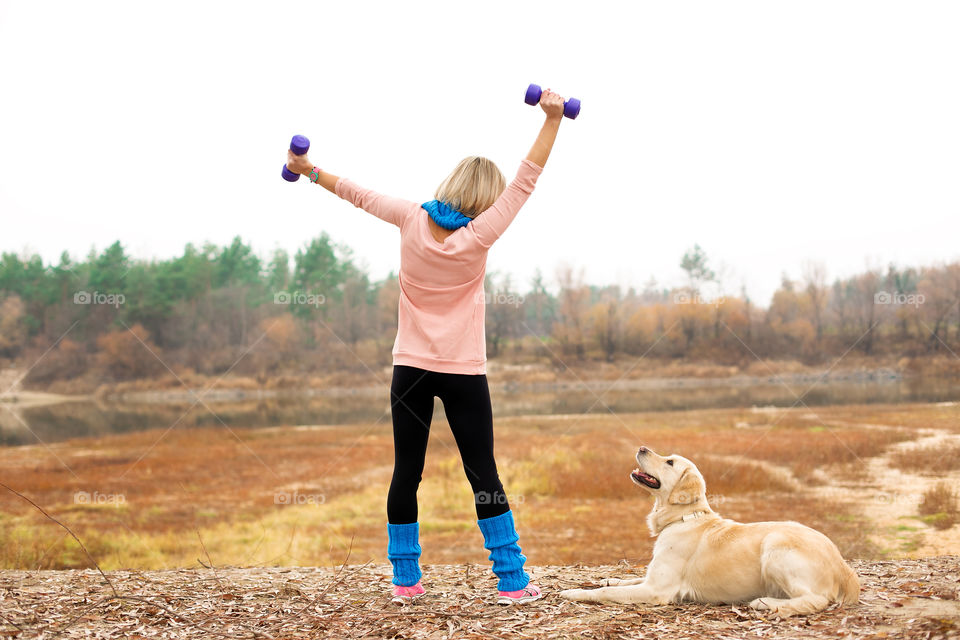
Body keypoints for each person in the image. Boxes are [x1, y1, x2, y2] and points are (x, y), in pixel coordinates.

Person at [284, 89, 565, 605]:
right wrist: (552, 119)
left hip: (409, 369)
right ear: (485, 198)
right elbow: (528, 178)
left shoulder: (411, 217)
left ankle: (406, 582)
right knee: (482, 471)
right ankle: (511, 581)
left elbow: (357, 193)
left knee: (405, 472)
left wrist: (307, 169)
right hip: (463, 373)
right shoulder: (481, 234)